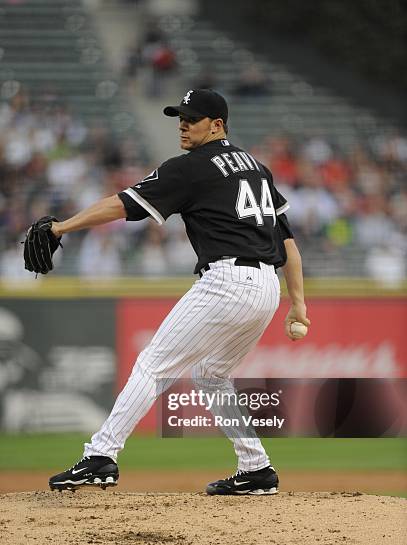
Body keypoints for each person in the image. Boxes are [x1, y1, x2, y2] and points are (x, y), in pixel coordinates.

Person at [48, 89, 310, 495]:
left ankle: (100, 456)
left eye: (192, 118)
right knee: (211, 375)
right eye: (179, 118)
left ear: (217, 124)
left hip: (227, 280)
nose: (183, 125)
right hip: (265, 288)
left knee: (153, 365)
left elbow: (122, 206)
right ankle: (257, 468)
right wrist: (298, 304)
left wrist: (59, 227)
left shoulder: (192, 167)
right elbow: (288, 243)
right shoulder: (257, 168)